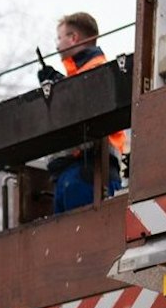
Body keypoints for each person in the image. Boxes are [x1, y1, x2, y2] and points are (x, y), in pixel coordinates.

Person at [39, 12, 129, 213]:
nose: (57, 45)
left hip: (89, 172)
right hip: (75, 174)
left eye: (60, 38)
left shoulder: (98, 70)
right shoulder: (81, 76)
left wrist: (60, 89)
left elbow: (85, 111)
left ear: (73, 38)